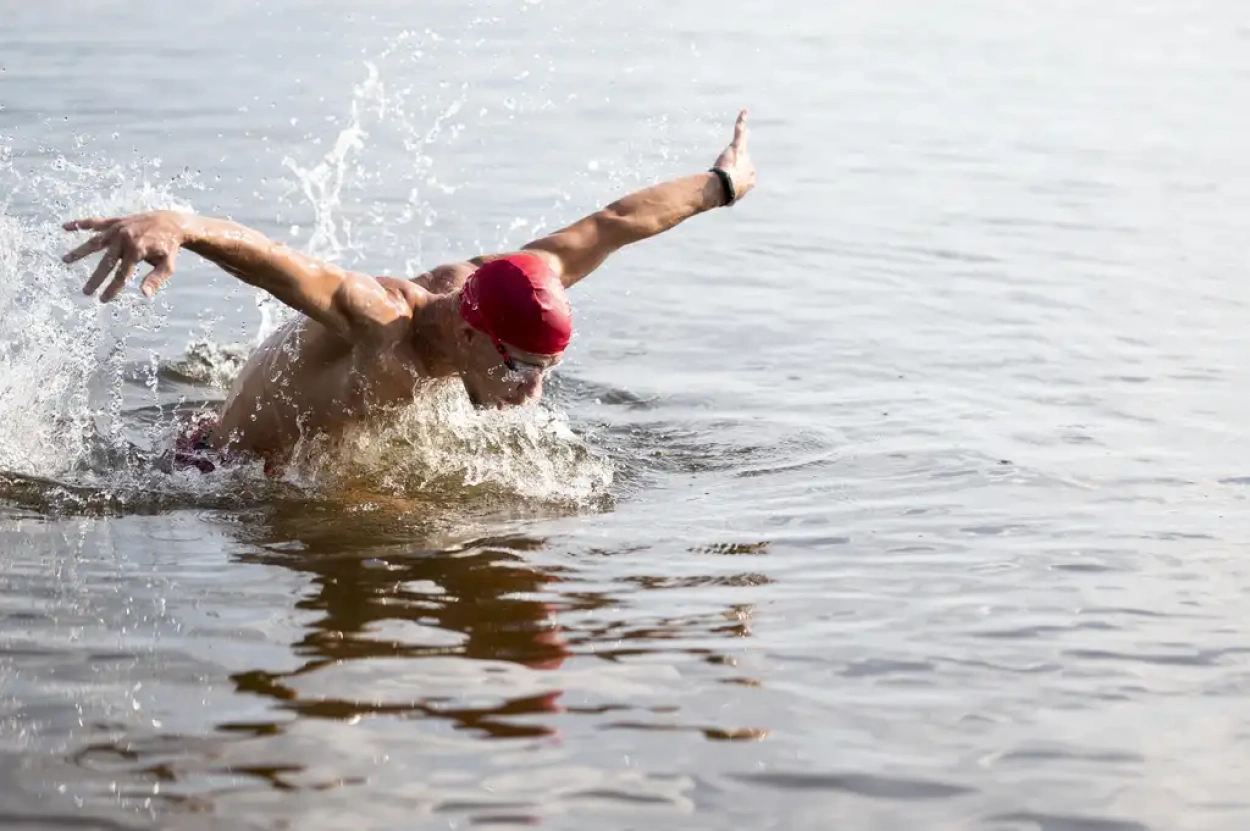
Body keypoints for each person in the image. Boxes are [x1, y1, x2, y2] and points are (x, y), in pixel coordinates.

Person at [60, 111, 756, 474]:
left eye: (545, 370)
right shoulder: (380, 320)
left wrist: (720, 184)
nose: (531, 392)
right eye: (518, 366)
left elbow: (615, 224)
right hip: (218, 463)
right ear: (468, 333)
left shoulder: (512, 283)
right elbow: (279, 263)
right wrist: (180, 225)